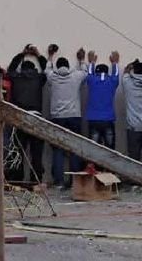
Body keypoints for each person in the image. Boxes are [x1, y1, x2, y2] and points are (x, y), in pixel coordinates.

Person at [45, 45, 88, 187]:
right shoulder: (75, 76)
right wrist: (81, 60)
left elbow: (47, 70)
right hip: (74, 116)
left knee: (58, 149)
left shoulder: (53, 77)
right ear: (68, 66)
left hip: (57, 117)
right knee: (74, 148)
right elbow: (85, 72)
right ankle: (74, 180)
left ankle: (59, 181)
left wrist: (50, 56)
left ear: (57, 67)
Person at [7, 46, 47, 182]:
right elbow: (47, 70)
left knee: (19, 151)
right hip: (36, 117)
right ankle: (36, 179)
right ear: (34, 69)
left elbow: (11, 69)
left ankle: (18, 178)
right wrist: (38, 55)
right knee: (36, 152)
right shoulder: (39, 78)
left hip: (19, 117)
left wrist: (21, 54)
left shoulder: (16, 77)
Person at [85, 51, 120, 149]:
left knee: (93, 149)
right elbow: (116, 74)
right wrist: (114, 63)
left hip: (93, 118)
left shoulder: (91, 80)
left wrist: (92, 62)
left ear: (96, 72)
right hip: (108, 118)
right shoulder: (112, 81)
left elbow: (89, 73)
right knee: (110, 149)